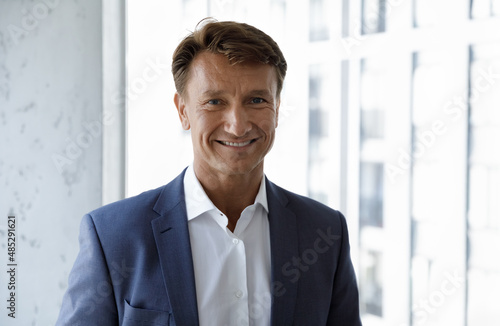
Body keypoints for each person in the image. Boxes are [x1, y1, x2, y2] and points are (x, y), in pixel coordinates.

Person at [56, 18, 361, 326]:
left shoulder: (325, 233)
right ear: (183, 111)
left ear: (277, 108)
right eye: (215, 101)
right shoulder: (112, 236)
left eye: (256, 100)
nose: (238, 125)